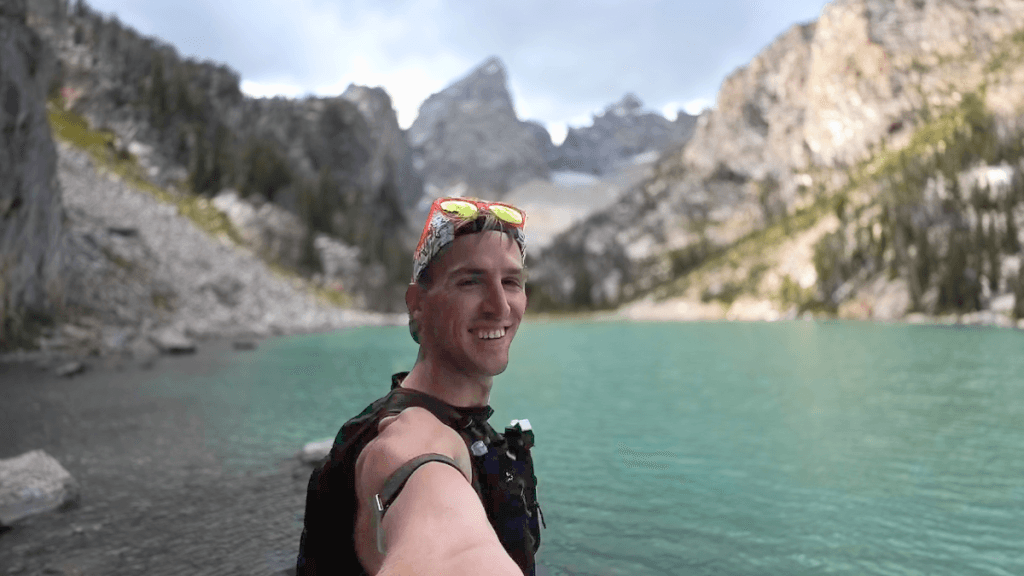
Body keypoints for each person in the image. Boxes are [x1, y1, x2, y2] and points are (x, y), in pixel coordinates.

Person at [296, 197, 546, 576]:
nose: (500, 306)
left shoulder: (461, 425)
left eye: (511, 282)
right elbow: (446, 540)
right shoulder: (409, 438)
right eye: (470, 282)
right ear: (418, 306)